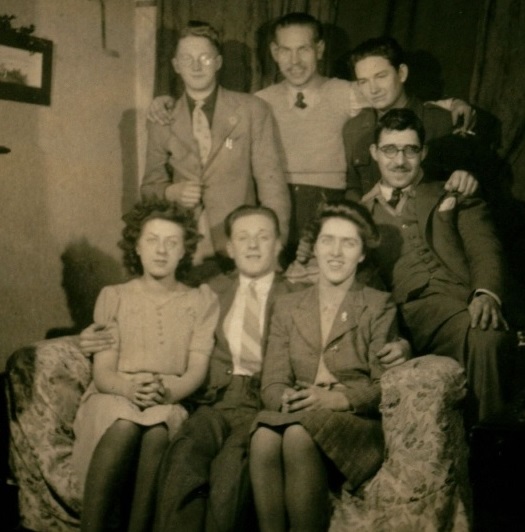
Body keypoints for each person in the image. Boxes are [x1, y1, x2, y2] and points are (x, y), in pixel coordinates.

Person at [149, 13, 474, 263]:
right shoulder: (260, 101)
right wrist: (164, 104)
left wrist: (450, 104)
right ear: (274, 53)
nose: (295, 61)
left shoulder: (346, 92)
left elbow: (390, 97)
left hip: (326, 203)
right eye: (286, 51)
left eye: (303, 49)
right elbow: (214, 116)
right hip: (273, 203)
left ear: (319, 50)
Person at [250, 200, 399, 532]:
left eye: (349, 243)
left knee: (297, 436)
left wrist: (335, 399)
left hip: (355, 422)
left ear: (362, 254)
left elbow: (385, 387)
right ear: (315, 247)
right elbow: (272, 382)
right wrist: (287, 398)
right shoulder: (287, 305)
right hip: (301, 412)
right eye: (327, 240)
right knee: (263, 437)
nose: (336, 252)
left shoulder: (377, 305)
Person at [72, 200, 220, 532]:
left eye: (172, 242)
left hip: (167, 395)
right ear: (137, 246)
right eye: (152, 240)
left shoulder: (201, 301)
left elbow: (196, 370)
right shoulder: (114, 296)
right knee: (124, 423)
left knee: (158, 429)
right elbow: (103, 372)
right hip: (113, 393)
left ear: (184, 251)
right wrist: (128, 389)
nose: (161, 250)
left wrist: (166, 392)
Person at [362, 108, 515, 424]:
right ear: (374, 152)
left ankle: (488, 440)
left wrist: (485, 293)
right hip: (405, 315)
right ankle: (487, 439)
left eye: (410, 150)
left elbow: (485, 248)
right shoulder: (360, 213)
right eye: (390, 150)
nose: (400, 160)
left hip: (462, 302)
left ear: (424, 153)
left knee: (488, 334)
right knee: (484, 336)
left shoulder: (452, 191)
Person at [141, 21, 290, 271]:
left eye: (205, 58)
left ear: (218, 62)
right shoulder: (162, 118)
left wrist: (276, 246)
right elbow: (148, 189)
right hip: (185, 245)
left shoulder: (252, 110)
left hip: (240, 242)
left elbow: (271, 183)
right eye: (187, 59)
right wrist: (171, 192)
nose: (196, 66)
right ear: (176, 65)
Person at [344, 36, 481, 200]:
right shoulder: (354, 129)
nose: (373, 89)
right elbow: (351, 187)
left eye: (381, 76)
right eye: (363, 81)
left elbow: (467, 184)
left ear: (402, 73)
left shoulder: (442, 122)